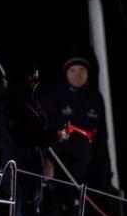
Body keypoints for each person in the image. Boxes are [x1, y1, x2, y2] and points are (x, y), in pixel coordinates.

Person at [0, 61, 68, 216]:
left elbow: (35, 132)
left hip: (32, 169)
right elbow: (22, 135)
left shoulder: (28, 100)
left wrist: (51, 137)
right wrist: (52, 136)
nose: (35, 81)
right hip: (18, 169)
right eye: (31, 76)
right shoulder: (10, 102)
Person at [40, 52, 111, 189]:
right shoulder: (51, 97)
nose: (77, 75)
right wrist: (45, 162)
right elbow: (39, 133)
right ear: (66, 72)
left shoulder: (95, 98)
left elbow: (102, 141)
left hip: (86, 175)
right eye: (72, 70)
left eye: (82, 70)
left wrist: (105, 177)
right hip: (56, 172)